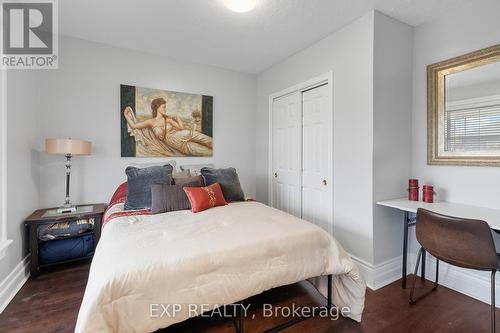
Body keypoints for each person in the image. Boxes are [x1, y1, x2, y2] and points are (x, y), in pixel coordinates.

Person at [123, 97, 213, 156]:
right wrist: (126, 114)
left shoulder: (168, 119)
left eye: (165, 107)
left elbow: (181, 128)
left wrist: (178, 119)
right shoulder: (151, 122)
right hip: (178, 144)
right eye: (163, 107)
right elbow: (134, 126)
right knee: (207, 152)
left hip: (184, 134)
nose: (165, 109)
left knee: (211, 141)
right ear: (157, 108)